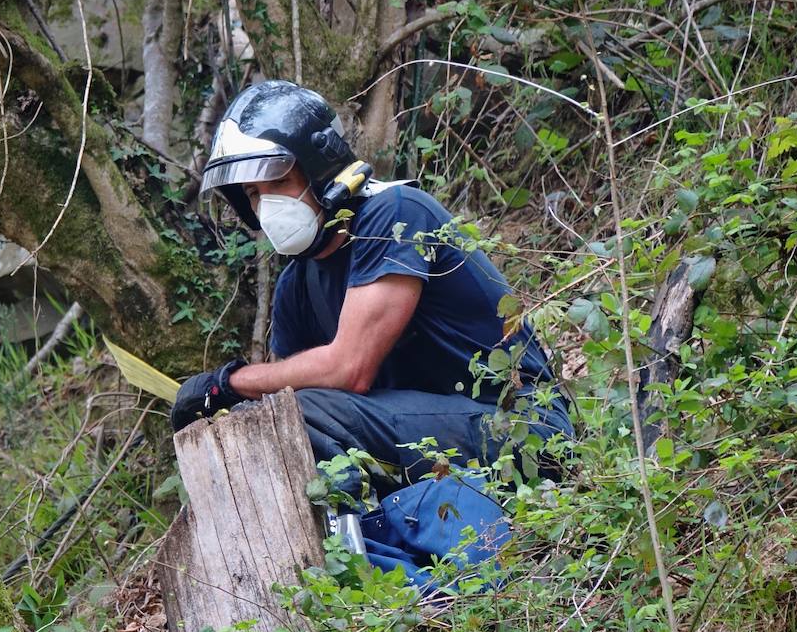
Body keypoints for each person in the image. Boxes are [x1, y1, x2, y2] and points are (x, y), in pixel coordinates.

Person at [170, 79, 572, 525]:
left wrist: (230, 382)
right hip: (430, 441)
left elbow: (349, 369)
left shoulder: (395, 215)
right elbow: (280, 404)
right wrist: (228, 407)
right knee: (262, 421)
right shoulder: (295, 287)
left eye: (277, 181)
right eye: (253, 194)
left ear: (317, 167)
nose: (267, 204)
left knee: (302, 415)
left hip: (524, 429)